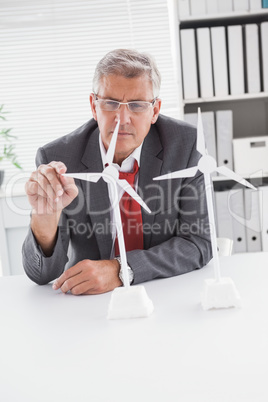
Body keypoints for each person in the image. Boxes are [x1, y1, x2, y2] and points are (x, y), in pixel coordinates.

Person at [23, 48, 212, 295]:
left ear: (155, 110)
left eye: (137, 105)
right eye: (111, 103)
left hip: (165, 293)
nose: (122, 119)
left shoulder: (186, 146)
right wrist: (45, 218)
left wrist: (122, 270)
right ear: (94, 105)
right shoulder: (59, 159)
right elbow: (41, 276)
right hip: (89, 304)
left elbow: (199, 243)